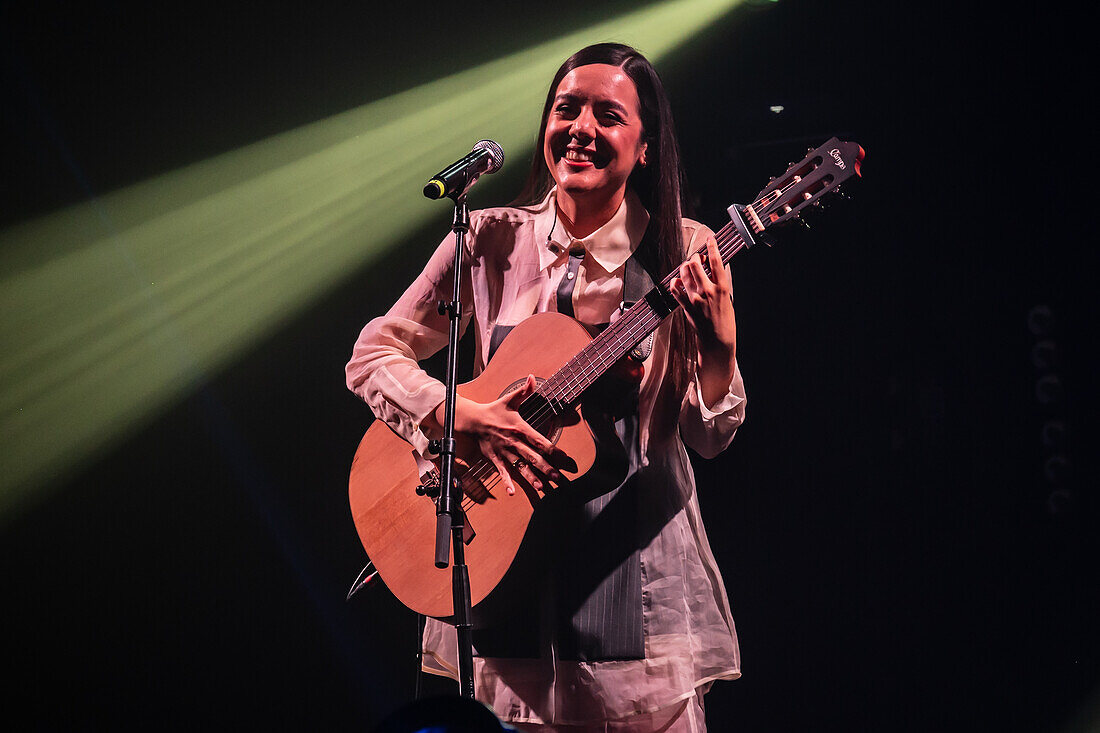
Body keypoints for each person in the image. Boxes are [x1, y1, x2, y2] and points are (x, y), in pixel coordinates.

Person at [347, 42, 746, 732]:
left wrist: (719, 344)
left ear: (646, 146)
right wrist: (460, 414)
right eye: (567, 109)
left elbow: (709, 437)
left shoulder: (683, 250)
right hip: (507, 598)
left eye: (608, 115)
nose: (582, 128)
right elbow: (372, 353)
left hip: (631, 601)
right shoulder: (488, 242)